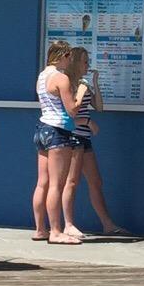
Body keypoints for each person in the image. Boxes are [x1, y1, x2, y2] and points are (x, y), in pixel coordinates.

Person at [64, 47, 133, 238]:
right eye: (85, 61)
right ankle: (68, 224)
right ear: (76, 62)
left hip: (85, 138)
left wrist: (95, 83)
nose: (88, 65)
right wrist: (87, 121)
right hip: (74, 136)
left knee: (96, 181)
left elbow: (99, 107)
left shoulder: (83, 83)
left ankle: (107, 224)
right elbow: (69, 114)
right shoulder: (68, 83)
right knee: (72, 181)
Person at [32, 40, 89, 244]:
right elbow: (72, 110)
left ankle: (40, 229)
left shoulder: (42, 76)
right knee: (57, 184)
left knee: (42, 183)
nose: (70, 62)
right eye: (69, 58)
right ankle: (56, 231)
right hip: (58, 131)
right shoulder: (61, 78)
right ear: (63, 56)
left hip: (42, 129)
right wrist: (81, 93)